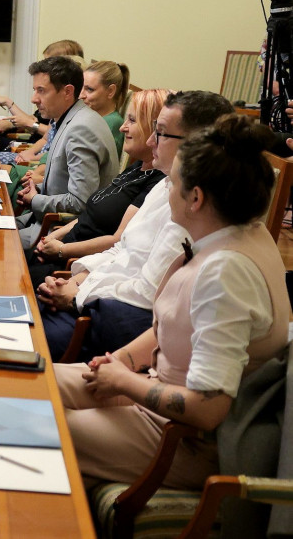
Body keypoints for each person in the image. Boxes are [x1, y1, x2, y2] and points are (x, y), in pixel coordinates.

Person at [56, 114, 289, 491]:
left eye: (172, 184)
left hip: (183, 440)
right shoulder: (239, 232)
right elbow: (165, 328)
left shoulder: (226, 273)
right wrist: (120, 363)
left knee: (35, 425)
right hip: (155, 399)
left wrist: (123, 382)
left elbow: (206, 409)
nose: (166, 192)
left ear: (196, 198)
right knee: (33, 385)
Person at [36, 91, 235, 361]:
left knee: (18, 334)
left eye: (161, 133)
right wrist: (77, 279)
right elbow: (122, 248)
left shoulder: (193, 206)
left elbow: (150, 293)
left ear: (197, 144)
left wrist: (78, 294)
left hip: (109, 323)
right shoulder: (163, 184)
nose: (151, 140)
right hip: (94, 297)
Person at [28, 89, 169, 284]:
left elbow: (118, 241)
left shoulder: (157, 181)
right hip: (63, 246)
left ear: (155, 129)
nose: (123, 127)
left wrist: (61, 250)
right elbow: (90, 214)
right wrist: (55, 236)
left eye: (132, 121)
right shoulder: (138, 166)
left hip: (72, 266)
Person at [15, 56, 119, 250]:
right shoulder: (66, 118)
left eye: (41, 91)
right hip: (39, 221)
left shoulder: (82, 129)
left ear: (67, 92)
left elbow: (80, 202)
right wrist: (37, 190)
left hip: (56, 233)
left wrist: (35, 200)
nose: (33, 99)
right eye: (34, 90)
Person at [81, 61, 129, 153]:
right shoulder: (91, 117)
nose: (81, 95)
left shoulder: (112, 123)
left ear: (110, 91)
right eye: (81, 88)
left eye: (89, 89)